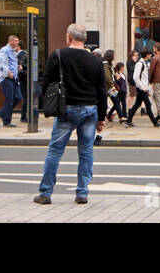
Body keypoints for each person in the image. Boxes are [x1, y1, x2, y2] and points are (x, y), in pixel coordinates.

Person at [35, 23, 110, 205]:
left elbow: (46, 84)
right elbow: (101, 91)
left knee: (55, 151)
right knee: (86, 151)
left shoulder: (58, 56)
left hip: (66, 108)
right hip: (90, 109)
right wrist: (102, 117)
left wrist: (47, 105)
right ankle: (82, 192)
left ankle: (45, 193)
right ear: (85, 39)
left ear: (69, 37)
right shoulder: (96, 61)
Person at [126, 48, 160, 126]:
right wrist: (142, 87)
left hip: (143, 88)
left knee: (137, 104)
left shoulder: (144, 63)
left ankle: (128, 120)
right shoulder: (140, 64)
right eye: (149, 54)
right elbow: (136, 77)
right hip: (141, 89)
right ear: (146, 55)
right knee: (148, 105)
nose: (150, 55)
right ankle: (154, 122)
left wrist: (146, 87)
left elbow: (144, 78)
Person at [0, 35, 23, 127]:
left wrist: (17, 67)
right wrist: (8, 71)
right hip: (7, 79)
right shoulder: (5, 50)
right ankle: (7, 121)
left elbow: (10, 63)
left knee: (18, 97)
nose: (18, 42)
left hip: (14, 79)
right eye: (16, 41)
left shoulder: (13, 51)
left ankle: (3, 113)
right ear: (11, 41)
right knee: (9, 100)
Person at [17, 42, 30, 123]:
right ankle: (24, 116)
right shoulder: (24, 54)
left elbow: (21, 66)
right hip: (24, 79)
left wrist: (20, 67)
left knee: (25, 98)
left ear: (19, 46)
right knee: (25, 98)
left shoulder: (22, 54)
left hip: (24, 79)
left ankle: (23, 116)